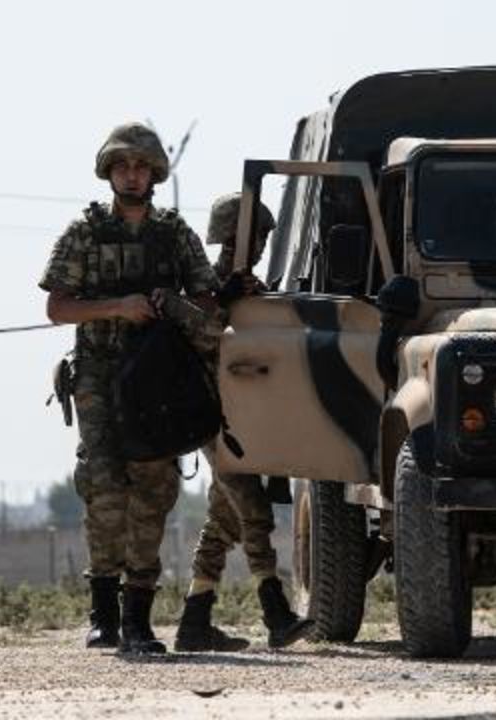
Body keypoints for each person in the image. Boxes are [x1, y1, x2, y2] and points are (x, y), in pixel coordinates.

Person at [39, 121, 219, 654]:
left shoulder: (175, 234)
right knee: (102, 486)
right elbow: (57, 307)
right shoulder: (84, 233)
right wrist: (119, 306)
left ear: (155, 173)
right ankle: (103, 616)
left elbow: (209, 303)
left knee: (154, 489)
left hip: (159, 376)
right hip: (98, 372)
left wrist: (175, 304)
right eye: (123, 166)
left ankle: (138, 614)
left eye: (141, 167)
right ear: (109, 172)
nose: (133, 175)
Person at [172, 193, 315, 652]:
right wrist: (226, 300)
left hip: (243, 420)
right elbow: (199, 334)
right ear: (226, 238)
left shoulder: (246, 286)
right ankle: (275, 613)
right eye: (248, 237)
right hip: (214, 420)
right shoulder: (203, 287)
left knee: (223, 520)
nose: (255, 246)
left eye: (260, 238)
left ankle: (194, 622)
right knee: (253, 510)